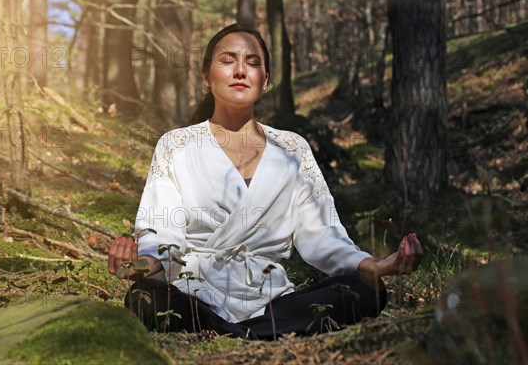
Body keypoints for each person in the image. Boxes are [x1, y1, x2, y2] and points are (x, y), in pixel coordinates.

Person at [108, 23, 423, 340]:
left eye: (253, 62)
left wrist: (376, 267)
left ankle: (235, 332)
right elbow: (162, 230)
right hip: (194, 296)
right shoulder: (177, 145)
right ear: (206, 77)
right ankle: (253, 332)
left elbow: (324, 236)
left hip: (274, 300)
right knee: (144, 297)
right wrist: (140, 266)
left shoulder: (291, 149)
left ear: (266, 80)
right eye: (228, 60)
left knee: (365, 290)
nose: (241, 71)